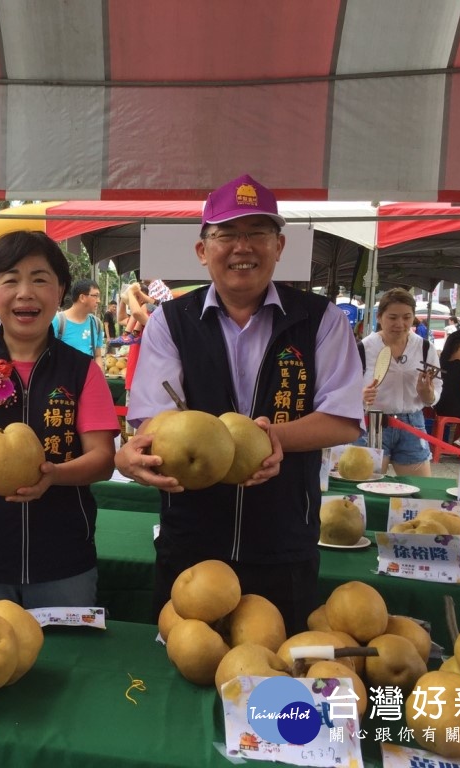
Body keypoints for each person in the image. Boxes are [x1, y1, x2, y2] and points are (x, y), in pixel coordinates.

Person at [114, 174, 364, 633]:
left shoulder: (321, 320)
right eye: (226, 234)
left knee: (279, 679)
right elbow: (152, 414)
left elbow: (344, 418)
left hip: (284, 537)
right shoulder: (171, 322)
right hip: (192, 540)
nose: (242, 247)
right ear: (202, 250)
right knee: (183, 670)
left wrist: (273, 439)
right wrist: (137, 451)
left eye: (257, 234)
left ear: (280, 245)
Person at [0, 230, 118, 607]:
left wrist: (55, 475)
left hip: (63, 558)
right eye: (10, 279)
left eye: (40, 279)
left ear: (60, 290)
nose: (25, 292)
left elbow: (103, 459)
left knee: (66, 660)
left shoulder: (82, 371)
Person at [360, 288, 442, 476]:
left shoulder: (424, 347)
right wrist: (362, 395)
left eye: (406, 317)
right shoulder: (364, 348)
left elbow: (436, 389)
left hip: (412, 423)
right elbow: (346, 389)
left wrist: (428, 394)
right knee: (367, 488)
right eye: (392, 317)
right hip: (373, 422)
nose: (400, 324)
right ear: (379, 317)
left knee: (419, 492)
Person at [52, 278, 105, 365]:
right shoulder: (58, 322)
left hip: (88, 377)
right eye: (95, 296)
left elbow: (98, 356)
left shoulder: (96, 323)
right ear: (82, 298)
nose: (98, 301)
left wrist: (99, 378)